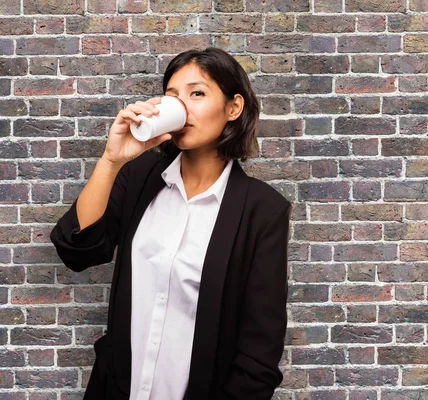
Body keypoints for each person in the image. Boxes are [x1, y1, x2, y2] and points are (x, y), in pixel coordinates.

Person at [51, 48, 291, 400]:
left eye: (198, 93)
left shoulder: (262, 210)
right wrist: (111, 159)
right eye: (172, 95)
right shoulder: (138, 178)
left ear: (233, 108)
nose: (183, 106)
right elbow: (77, 251)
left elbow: (260, 351)